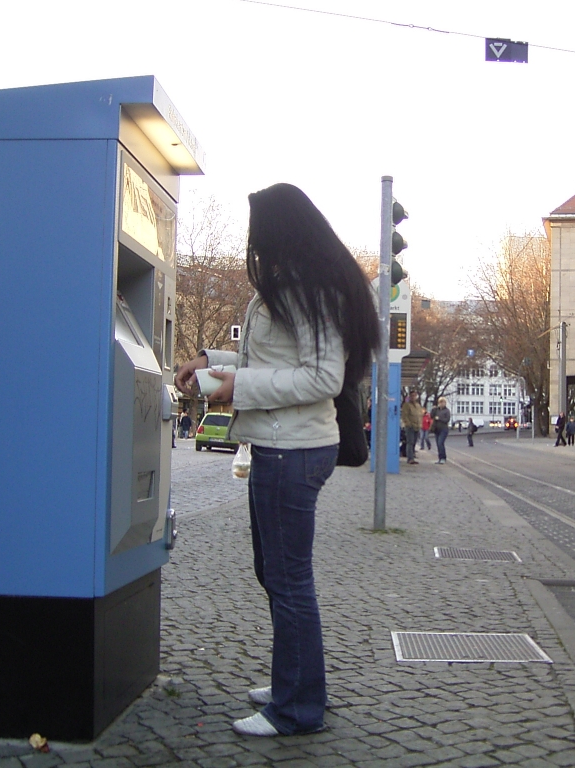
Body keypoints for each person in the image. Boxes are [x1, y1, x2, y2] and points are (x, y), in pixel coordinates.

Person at [173, 183, 380, 737]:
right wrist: (211, 361)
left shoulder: (313, 292)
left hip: (294, 450)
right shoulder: (293, 285)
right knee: (276, 573)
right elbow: (268, 358)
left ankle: (297, 707)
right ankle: (297, 680)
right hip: (280, 445)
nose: (253, 244)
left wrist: (237, 386)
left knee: (288, 580)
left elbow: (322, 378)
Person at [401, 391, 424, 465]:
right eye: (412, 396)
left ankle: (412, 456)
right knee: (410, 442)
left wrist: (420, 424)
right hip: (410, 426)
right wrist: (408, 424)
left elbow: (420, 415)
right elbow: (404, 415)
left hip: (417, 426)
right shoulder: (407, 405)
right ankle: (410, 458)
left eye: (415, 396)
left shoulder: (418, 405)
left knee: (414, 442)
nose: (413, 397)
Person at [431, 397, 451, 464]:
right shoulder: (436, 410)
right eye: (440, 402)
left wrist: (439, 418)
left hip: (444, 429)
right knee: (438, 444)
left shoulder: (447, 411)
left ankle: (443, 458)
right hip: (437, 429)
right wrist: (433, 409)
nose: (441, 404)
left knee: (440, 443)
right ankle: (440, 458)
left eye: (443, 402)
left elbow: (447, 420)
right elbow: (431, 416)